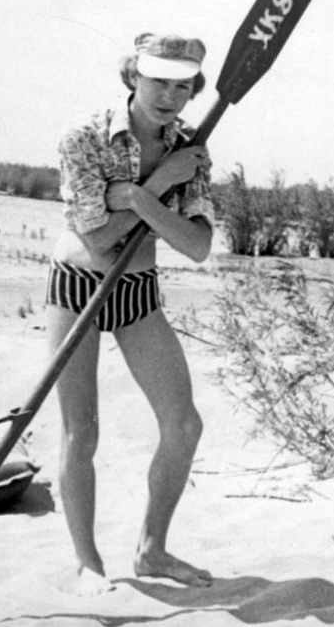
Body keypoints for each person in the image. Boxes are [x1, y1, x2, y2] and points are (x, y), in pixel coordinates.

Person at [46, 32, 215, 597]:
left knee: (184, 425)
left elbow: (197, 245)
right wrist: (160, 185)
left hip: (137, 289)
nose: (169, 96)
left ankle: (151, 550)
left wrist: (142, 196)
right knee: (81, 432)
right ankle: (88, 564)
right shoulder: (85, 137)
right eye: (158, 80)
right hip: (77, 287)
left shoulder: (191, 150)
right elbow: (97, 240)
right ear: (132, 76)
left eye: (182, 86)